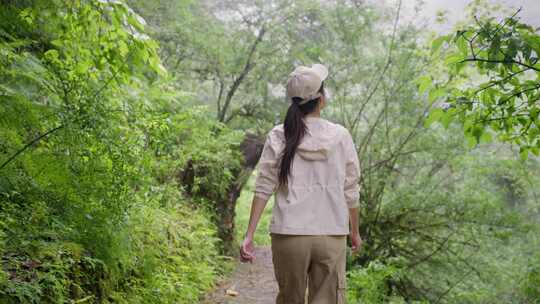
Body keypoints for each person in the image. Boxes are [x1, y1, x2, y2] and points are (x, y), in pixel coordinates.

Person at [239, 63, 362, 304]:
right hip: (332, 233)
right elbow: (351, 190)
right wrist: (354, 232)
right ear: (321, 99)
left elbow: (264, 185)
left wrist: (249, 234)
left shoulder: (279, 134)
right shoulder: (340, 136)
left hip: (289, 234)